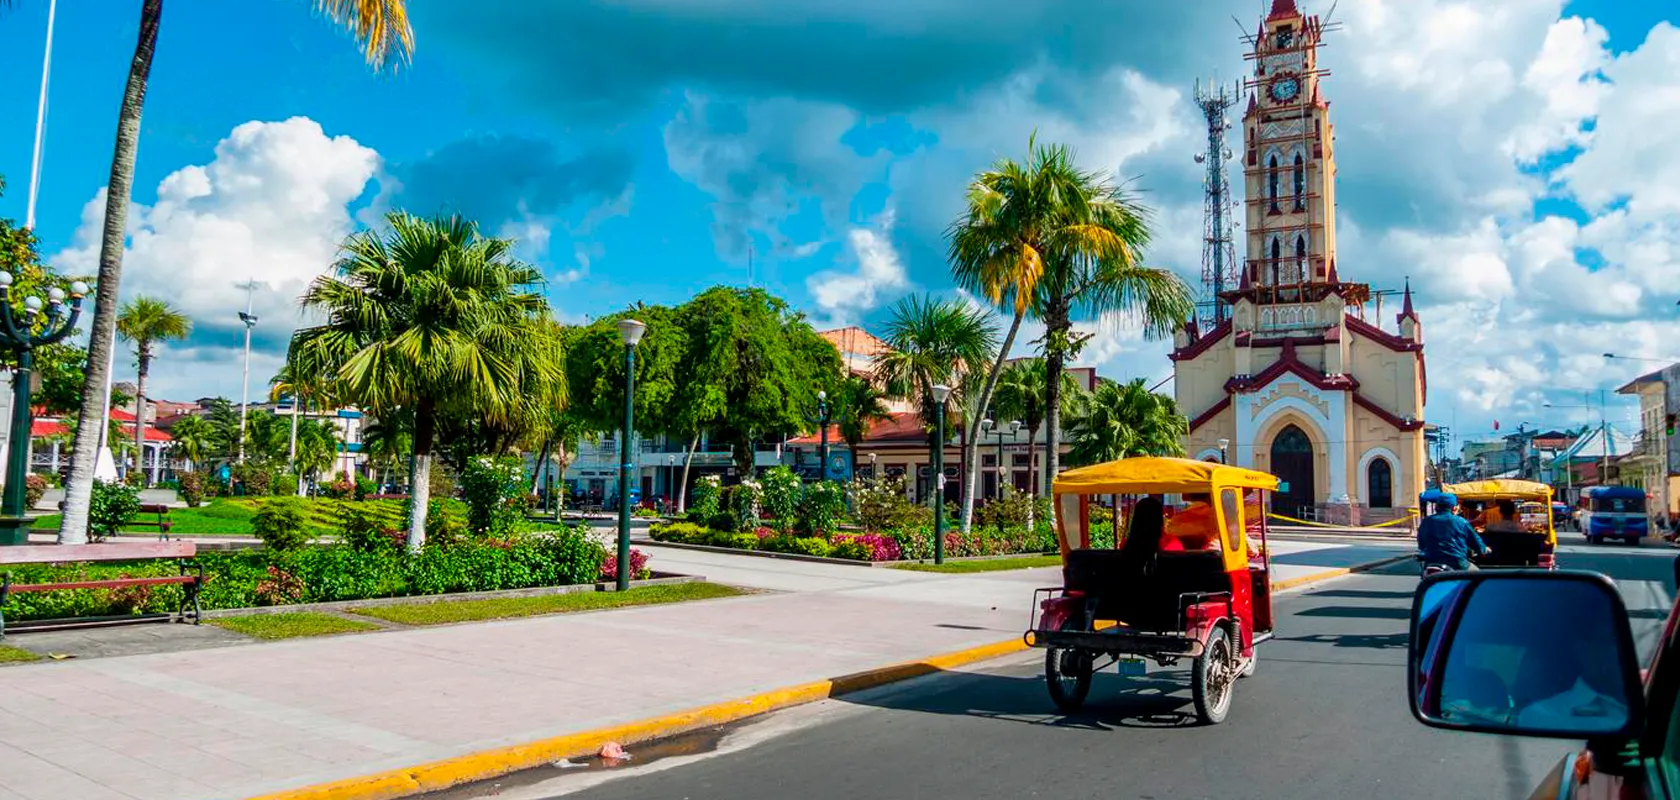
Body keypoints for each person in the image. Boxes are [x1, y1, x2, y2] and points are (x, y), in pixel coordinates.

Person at [1417, 490, 1487, 571]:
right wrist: (1484, 549)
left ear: (1437, 507)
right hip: (1457, 563)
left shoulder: (1426, 521)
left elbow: (1421, 544)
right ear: (1454, 508)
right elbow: (1477, 543)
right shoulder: (1462, 522)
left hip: (1431, 562)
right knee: (1478, 576)